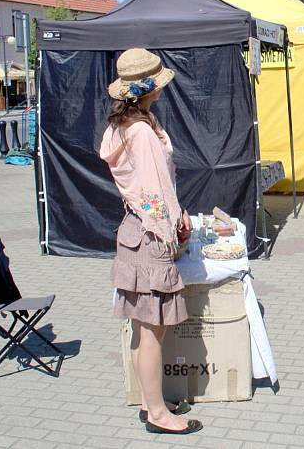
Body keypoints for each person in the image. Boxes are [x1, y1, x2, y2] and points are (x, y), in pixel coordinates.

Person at [99, 48, 202, 436]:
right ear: (146, 90)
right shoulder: (141, 131)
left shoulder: (127, 125)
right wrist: (174, 225)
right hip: (150, 232)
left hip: (136, 229)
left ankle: (149, 401)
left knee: (145, 327)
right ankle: (157, 414)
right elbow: (155, 189)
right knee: (153, 329)